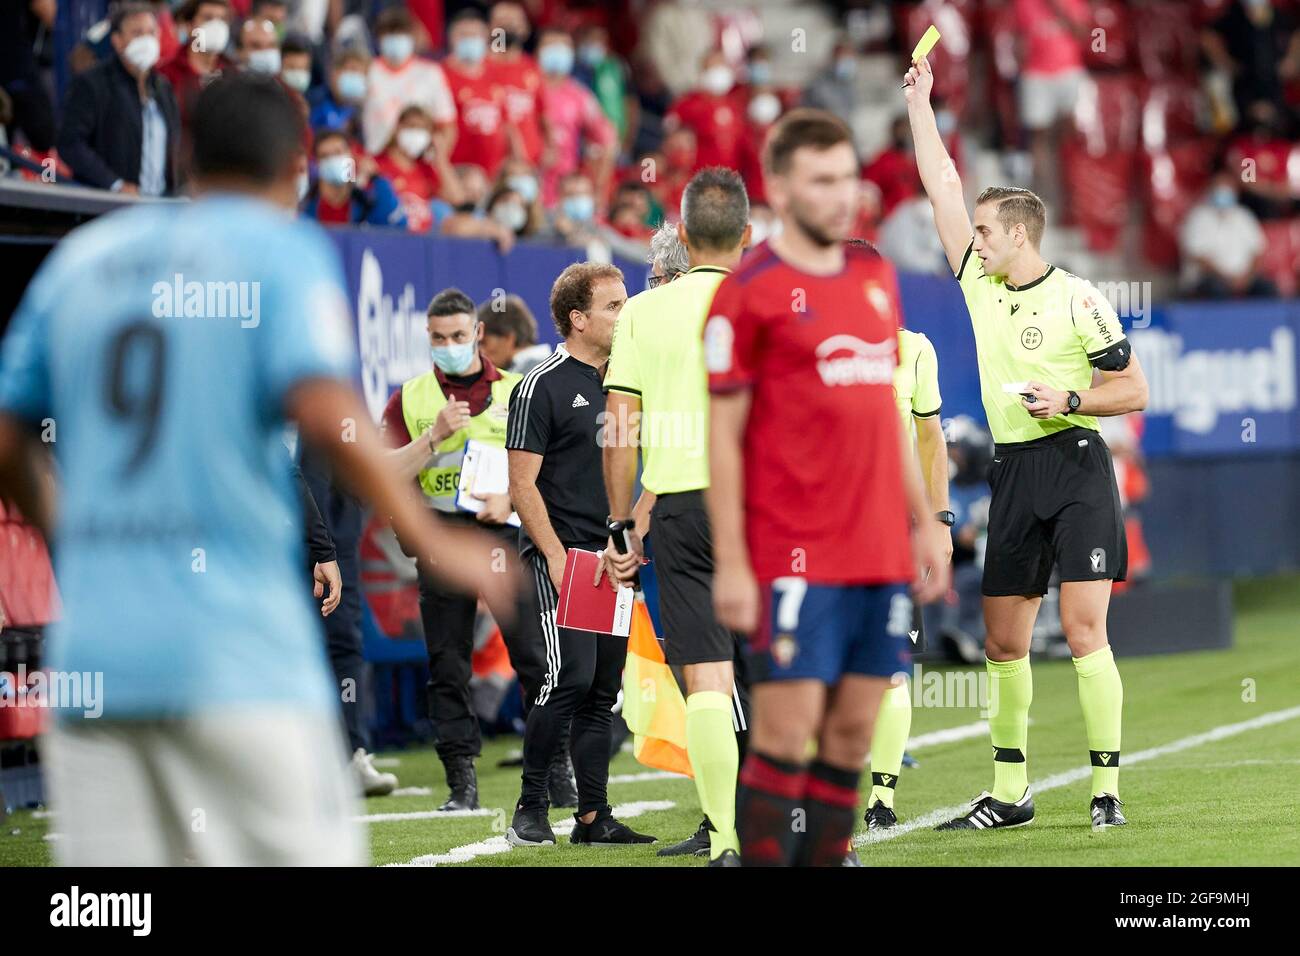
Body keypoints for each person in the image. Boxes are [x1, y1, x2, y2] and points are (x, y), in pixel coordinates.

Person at [0, 72, 513, 865]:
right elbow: (325, 414)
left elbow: (7, 435)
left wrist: (72, 533)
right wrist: (428, 537)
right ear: (295, 168)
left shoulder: (82, 261)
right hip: (236, 656)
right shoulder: (277, 251)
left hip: (99, 662)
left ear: (186, 152)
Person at [904, 55, 1149, 831]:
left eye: (983, 231)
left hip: (1076, 466)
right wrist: (921, 104)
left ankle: (1105, 788)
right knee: (1003, 646)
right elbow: (942, 185)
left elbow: (1136, 389)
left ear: (1017, 235)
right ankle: (1011, 794)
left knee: (1083, 629)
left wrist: (1072, 397)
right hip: (1014, 471)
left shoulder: (1079, 298)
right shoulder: (981, 280)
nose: (970, 241)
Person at [704, 109, 950, 867]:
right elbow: (723, 438)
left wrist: (927, 522)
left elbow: (887, 413)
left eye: (848, 177)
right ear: (778, 187)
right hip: (794, 554)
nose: (842, 195)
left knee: (851, 734)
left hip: (877, 551)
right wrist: (738, 563)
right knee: (785, 733)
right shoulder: (746, 295)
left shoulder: (875, 278)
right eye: (821, 180)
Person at [602, 168, 754, 864]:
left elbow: (620, 427)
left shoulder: (641, 311)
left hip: (684, 510)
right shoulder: (775, 301)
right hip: (768, 506)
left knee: (707, 677)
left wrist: (618, 524)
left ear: (683, 237)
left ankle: (724, 839)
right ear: (749, 236)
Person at [380, 289, 559, 812]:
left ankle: (557, 773)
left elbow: (549, 465)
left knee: (534, 658)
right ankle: (462, 784)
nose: (449, 346)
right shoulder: (410, 397)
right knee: (447, 665)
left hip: (503, 533)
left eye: (459, 336)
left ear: (478, 334)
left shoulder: (517, 391)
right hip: (441, 538)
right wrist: (431, 439)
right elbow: (380, 474)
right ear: (428, 339)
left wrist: (509, 496)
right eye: (439, 338)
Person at [503, 262, 657, 848]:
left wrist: (631, 534)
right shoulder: (539, 383)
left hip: (611, 559)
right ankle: (530, 806)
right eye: (614, 306)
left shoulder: (630, 382)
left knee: (602, 690)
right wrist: (556, 556)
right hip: (559, 556)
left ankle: (593, 819)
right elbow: (523, 486)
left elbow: (655, 467)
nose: (626, 313)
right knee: (566, 676)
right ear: (578, 318)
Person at [844, 240, 954, 830]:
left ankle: (882, 799)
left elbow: (930, 440)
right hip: (820, 527)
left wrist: (936, 520)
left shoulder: (913, 350)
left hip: (888, 525)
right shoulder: (809, 346)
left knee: (890, 660)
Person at [57, 2, 180, 196]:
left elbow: (174, 145)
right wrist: (114, 184)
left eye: (151, 32)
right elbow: (70, 143)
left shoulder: (163, 87)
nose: (147, 40)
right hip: (107, 205)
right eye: (137, 33)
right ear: (117, 40)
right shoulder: (92, 83)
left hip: (160, 205)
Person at [362, 5, 456, 157]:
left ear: (413, 36)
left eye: (401, 33)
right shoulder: (368, 71)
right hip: (377, 160)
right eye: (390, 33)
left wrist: (437, 161)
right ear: (378, 38)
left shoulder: (431, 73)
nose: (395, 39)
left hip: (418, 165)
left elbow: (447, 126)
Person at [1179, 173, 1275, 299]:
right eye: (1219, 189)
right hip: (1210, 279)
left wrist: (1246, 278)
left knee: (1267, 289)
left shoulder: (1244, 216)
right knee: (1216, 289)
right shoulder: (1197, 217)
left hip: (1244, 279)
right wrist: (1226, 278)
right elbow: (1198, 257)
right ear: (1211, 190)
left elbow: (1257, 252)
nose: (1224, 194)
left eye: (1227, 189)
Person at [443, 8, 512, 180]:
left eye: (475, 35)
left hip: (494, 173)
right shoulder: (440, 75)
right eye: (463, 35)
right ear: (451, 38)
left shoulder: (497, 73)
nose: (470, 40)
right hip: (457, 173)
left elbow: (506, 123)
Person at [157, 0, 233, 143]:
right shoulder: (165, 74)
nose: (216, 25)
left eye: (222, 19)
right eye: (208, 18)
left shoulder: (234, 74)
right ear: (189, 25)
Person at [301, 128, 407, 228]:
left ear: (351, 156)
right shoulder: (305, 204)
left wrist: (378, 183)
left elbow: (400, 233)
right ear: (317, 163)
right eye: (325, 156)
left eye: (338, 153)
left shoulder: (374, 194)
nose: (333, 160)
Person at [477, 294, 544, 374]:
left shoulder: (532, 372)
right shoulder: (541, 367)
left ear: (508, 338)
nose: (480, 351)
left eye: (484, 343)